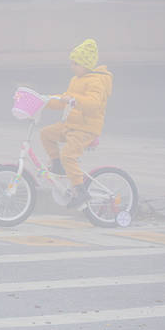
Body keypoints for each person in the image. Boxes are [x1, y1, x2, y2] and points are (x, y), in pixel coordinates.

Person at [40, 39, 113, 209]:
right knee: (46, 133)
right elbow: (64, 100)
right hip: (71, 125)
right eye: (71, 63)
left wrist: (74, 99)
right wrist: (45, 101)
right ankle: (57, 165)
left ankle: (80, 190)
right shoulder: (76, 80)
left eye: (76, 63)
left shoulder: (96, 81)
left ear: (86, 64)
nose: (72, 66)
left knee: (68, 155)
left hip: (86, 128)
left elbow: (93, 104)